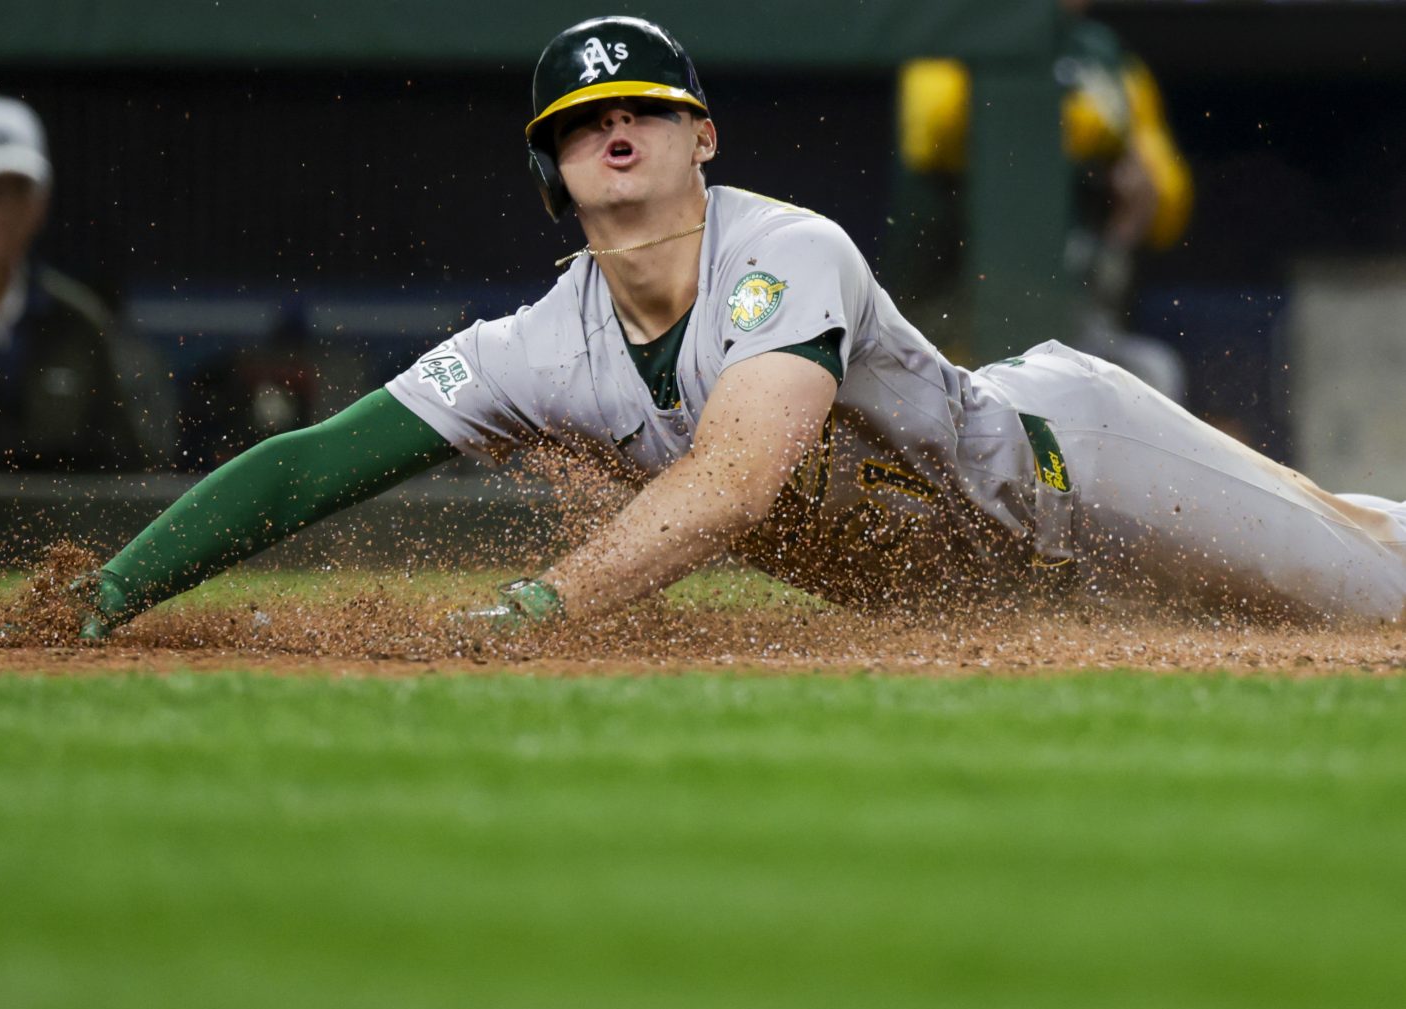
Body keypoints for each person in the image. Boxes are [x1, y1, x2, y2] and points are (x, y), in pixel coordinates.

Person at [73, 16, 1406, 641]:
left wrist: (550, 599)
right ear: (552, 168)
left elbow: (737, 479)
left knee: (1378, 599)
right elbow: (313, 465)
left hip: (1087, 472)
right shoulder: (540, 347)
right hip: (1011, 588)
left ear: (700, 136)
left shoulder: (786, 251)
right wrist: (119, 585)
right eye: (583, 122)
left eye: (644, 108)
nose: (615, 127)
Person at [894, 0, 1192, 400]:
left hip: (1074, 311)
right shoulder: (958, 26)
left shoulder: (1103, 53)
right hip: (954, 315)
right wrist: (1094, 128)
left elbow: (1170, 202)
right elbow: (933, 130)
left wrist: (1144, 182)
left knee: (1153, 375)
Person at [0, 95, 165, 474]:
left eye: (19, 189)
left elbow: (128, 472)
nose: (5, 209)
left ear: (42, 202)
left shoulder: (81, 324)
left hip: (66, 533)